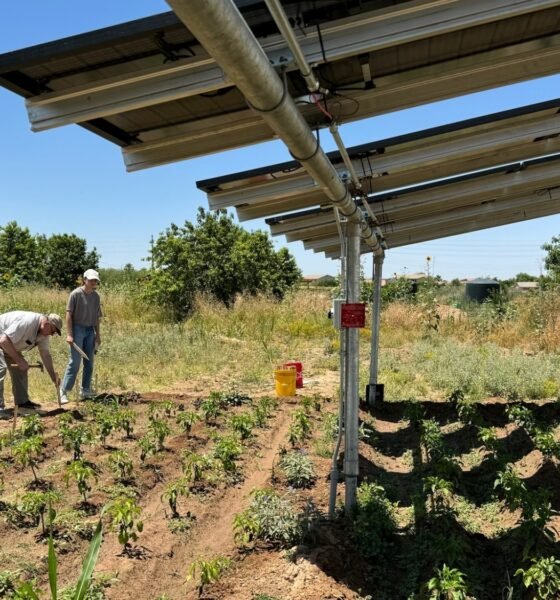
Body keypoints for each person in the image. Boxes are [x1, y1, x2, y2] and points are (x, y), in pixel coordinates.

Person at [0, 311, 62, 412]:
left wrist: (53, 377)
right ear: (46, 324)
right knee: (1, 368)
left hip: (8, 344)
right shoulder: (27, 322)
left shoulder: (43, 334)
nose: (52, 334)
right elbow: (3, 340)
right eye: (52, 331)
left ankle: (22, 402)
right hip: (3, 340)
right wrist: (19, 360)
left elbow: (45, 354)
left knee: (21, 369)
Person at [60, 269, 102, 403]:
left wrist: (98, 335)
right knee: (75, 361)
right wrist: (70, 334)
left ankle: (85, 389)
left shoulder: (96, 296)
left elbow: (96, 317)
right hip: (77, 329)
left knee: (89, 362)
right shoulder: (75, 294)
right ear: (84, 280)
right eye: (91, 280)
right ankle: (64, 391)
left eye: (95, 280)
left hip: (90, 330)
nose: (93, 282)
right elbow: (68, 315)